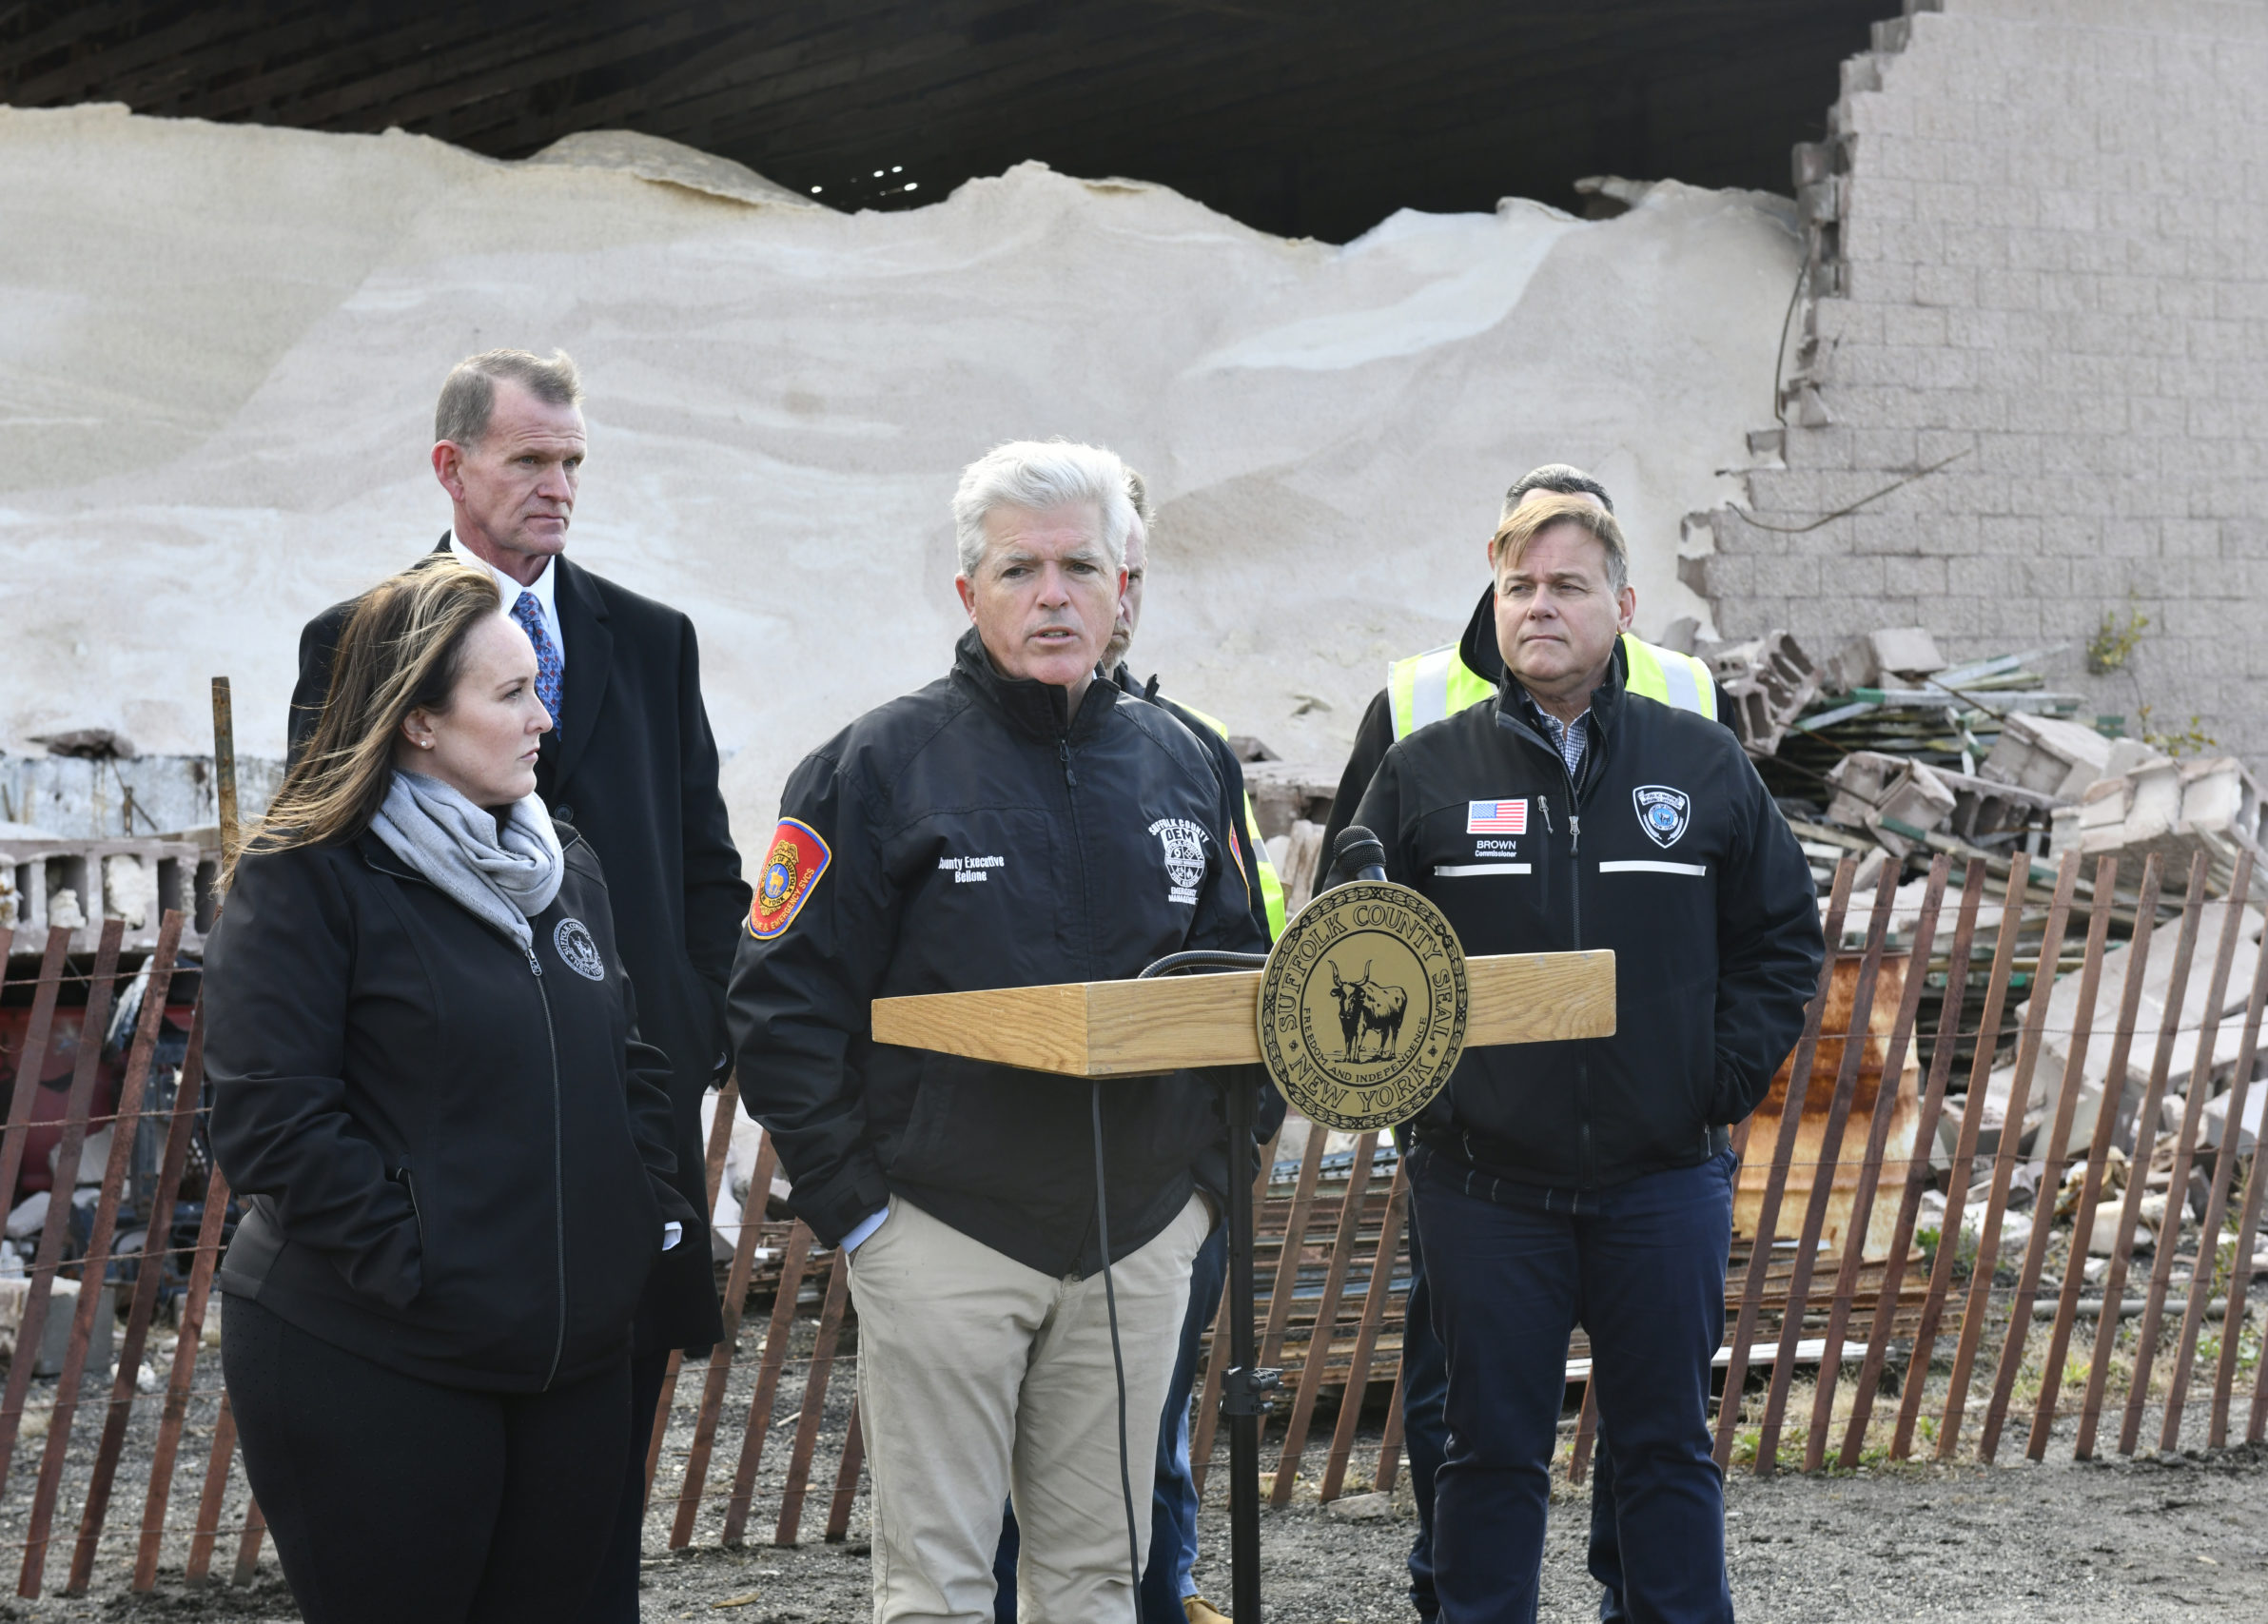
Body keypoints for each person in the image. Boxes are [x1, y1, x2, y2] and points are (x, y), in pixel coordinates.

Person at [728, 440, 1268, 1624]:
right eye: (1019, 568)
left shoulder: (1186, 765)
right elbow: (779, 1003)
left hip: (1136, 1242)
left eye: (1082, 564)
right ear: (966, 591)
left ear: (1125, 587)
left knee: (1096, 1584)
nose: (1053, 594)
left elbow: (1248, 987)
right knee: (938, 1593)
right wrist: (863, 1214)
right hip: (945, 1234)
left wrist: (1201, 1199)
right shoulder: (874, 768)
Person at [284, 348, 744, 1618]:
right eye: (530, 459)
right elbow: (325, 891)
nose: (559, 486)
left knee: (594, 1531)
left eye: (574, 462)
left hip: (624, 1144)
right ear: (453, 466)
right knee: (450, 1543)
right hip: (456, 1161)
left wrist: (682, 1046)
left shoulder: (651, 641)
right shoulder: (357, 643)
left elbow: (708, 871)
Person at [1349, 494, 1821, 1624]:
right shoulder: (1423, 771)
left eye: (1566, 587)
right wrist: (1432, 1106)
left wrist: (1713, 1083)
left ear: (1623, 605)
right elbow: (1351, 952)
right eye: (1519, 588)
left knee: (1664, 1448)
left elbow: (1781, 939)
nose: (1539, 609)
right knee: (1487, 1453)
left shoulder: (1699, 762)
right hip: (1484, 1185)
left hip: (1660, 1180)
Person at [205, 559, 702, 1622]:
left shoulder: (563, 863)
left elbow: (632, 1065)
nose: (544, 720)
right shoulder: (307, 875)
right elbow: (272, 1121)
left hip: (568, 1356)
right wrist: (424, 1262)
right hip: (378, 1355)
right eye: (511, 694)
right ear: (419, 720)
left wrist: (637, 1219)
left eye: (540, 688)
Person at [989, 472, 1281, 1624]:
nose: (1106, 594)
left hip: (1167, 1190)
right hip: (1000, 1198)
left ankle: (1164, 1594)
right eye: (1044, 570)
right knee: (1013, 1469)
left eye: (1120, 573)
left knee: (1150, 1425)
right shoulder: (937, 754)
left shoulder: (1186, 753)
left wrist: (1219, 1174)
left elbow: (1244, 966)